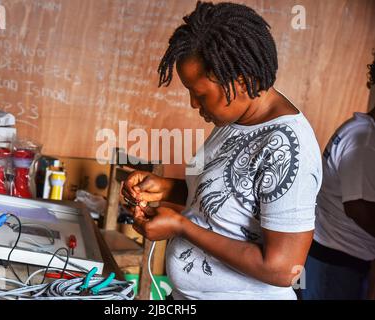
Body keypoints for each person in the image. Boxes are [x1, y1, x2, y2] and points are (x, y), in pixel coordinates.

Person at [122, 1, 322, 300]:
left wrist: (181, 227)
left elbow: (283, 269)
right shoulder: (237, 115)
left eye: (199, 94)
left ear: (239, 82)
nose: (193, 104)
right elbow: (231, 201)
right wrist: (166, 189)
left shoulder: (289, 148)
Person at [301, 53, 375, 300]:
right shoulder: (364, 140)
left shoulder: (362, 132)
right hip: (335, 262)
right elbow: (357, 207)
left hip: (333, 258)